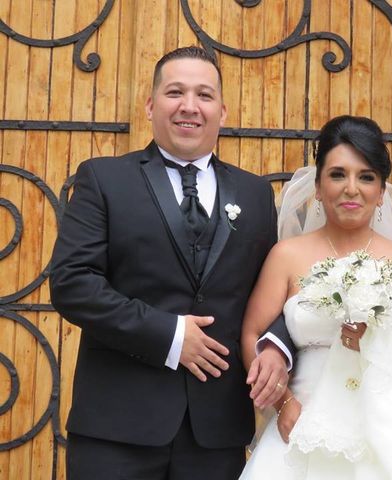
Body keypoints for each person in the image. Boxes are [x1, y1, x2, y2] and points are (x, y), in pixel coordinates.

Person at [49, 46, 292, 480]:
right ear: (150, 105)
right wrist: (170, 333)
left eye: (204, 95)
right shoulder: (104, 178)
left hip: (215, 433)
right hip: (116, 430)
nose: (189, 107)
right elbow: (73, 283)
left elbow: (271, 295)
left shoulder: (256, 195)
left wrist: (275, 345)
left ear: (223, 110)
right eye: (175, 92)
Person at [239, 115, 392, 479]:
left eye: (366, 176)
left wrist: (374, 339)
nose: (351, 189)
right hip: (301, 417)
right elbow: (252, 333)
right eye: (337, 174)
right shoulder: (287, 256)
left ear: (381, 191)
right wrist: (282, 402)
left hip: (384, 426)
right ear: (318, 186)